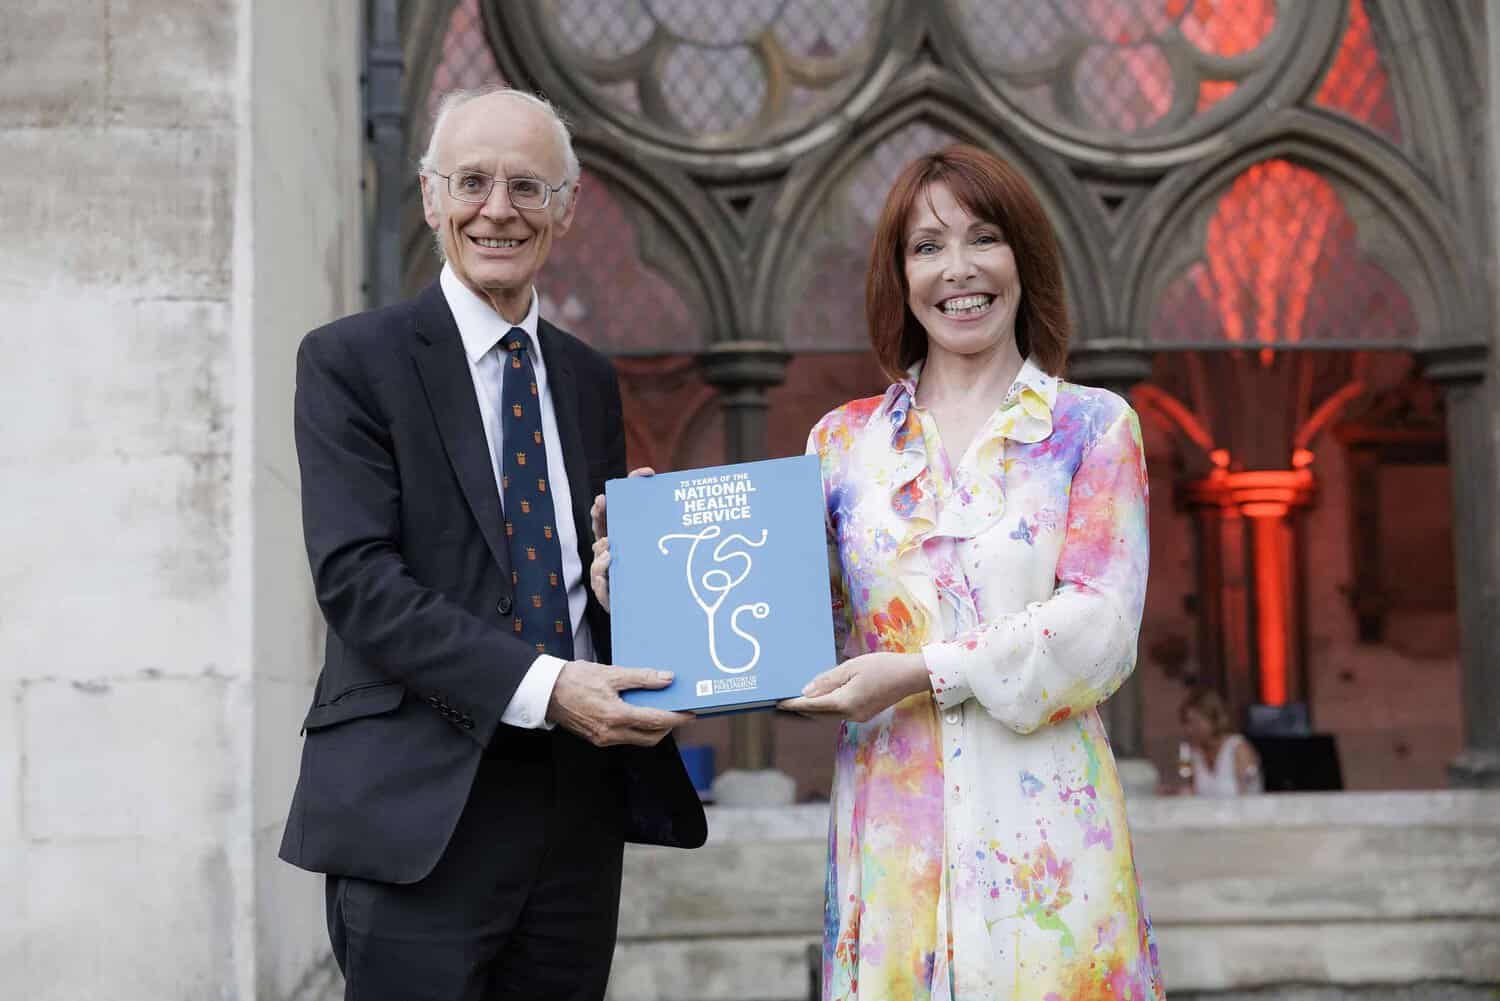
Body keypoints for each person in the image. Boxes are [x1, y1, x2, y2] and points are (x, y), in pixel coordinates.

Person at [279, 86, 706, 1001]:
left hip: (574, 813)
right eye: (472, 182)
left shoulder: (587, 378)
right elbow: (358, 581)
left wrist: (626, 580)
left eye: (527, 186)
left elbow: (573, 578)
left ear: (566, 206)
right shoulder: (349, 362)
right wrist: (548, 687)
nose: (498, 210)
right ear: (430, 197)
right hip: (418, 812)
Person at [778, 145, 1164, 999]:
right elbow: (786, 630)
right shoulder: (841, 446)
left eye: (983, 237)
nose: (957, 268)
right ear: (899, 276)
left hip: (1049, 850)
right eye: (927, 246)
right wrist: (645, 578)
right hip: (893, 849)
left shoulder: (1092, 428)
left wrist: (923, 669)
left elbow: (1099, 630)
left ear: (1024, 258)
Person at [1177, 688, 1263, 797]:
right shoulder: (1192, 753)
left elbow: (1251, 792)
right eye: (1186, 722)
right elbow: (1190, 788)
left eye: (1195, 722)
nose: (1189, 729)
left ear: (1213, 719)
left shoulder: (1238, 748)